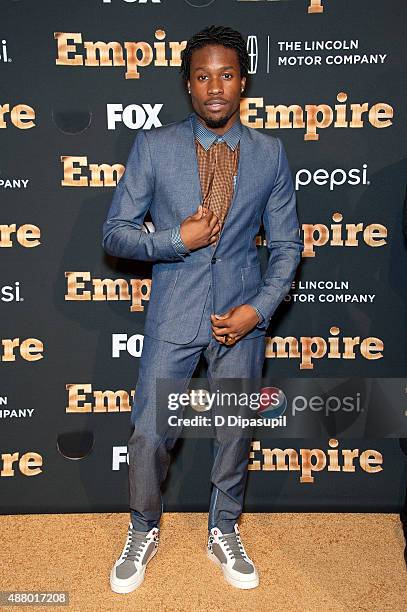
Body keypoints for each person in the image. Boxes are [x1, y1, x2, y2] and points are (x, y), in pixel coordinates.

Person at [102, 24, 303, 593]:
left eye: (227, 75)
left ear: (244, 82)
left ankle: (224, 527)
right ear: (188, 86)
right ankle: (143, 526)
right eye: (203, 76)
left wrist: (257, 310)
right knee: (148, 433)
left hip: (240, 316)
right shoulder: (156, 147)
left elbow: (287, 245)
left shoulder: (269, 153)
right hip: (173, 315)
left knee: (235, 429)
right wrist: (174, 240)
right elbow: (115, 233)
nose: (215, 86)